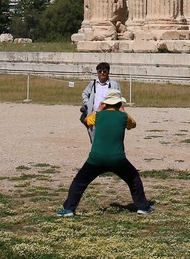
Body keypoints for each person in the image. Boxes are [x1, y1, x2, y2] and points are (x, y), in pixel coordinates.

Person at [56, 89, 152, 217]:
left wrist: (99, 109)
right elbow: (132, 125)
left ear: (105, 103)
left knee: (79, 182)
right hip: (118, 159)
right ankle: (142, 207)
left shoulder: (98, 115)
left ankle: (69, 208)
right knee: (134, 179)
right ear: (119, 104)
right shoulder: (124, 117)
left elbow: (87, 121)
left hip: (96, 158)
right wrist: (123, 111)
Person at [80, 62, 121, 143]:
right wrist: (87, 104)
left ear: (108, 72)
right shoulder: (93, 83)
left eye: (104, 71)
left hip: (108, 116)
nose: (102, 73)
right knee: (94, 140)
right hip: (94, 115)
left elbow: (119, 99)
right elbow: (85, 93)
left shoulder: (114, 84)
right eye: (100, 71)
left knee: (108, 139)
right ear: (97, 72)